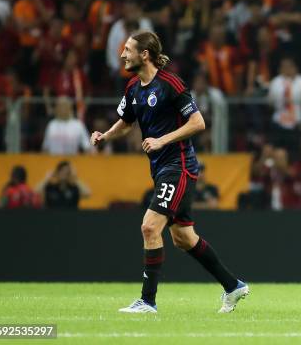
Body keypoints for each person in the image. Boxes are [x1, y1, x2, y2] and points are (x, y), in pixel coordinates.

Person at [90, 30, 248, 314]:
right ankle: (233, 286)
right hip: (162, 168)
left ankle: (147, 302)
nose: (122, 54)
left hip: (180, 166)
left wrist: (162, 140)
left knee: (150, 227)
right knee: (183, 238)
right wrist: (105, 136)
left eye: (128, 49)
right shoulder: (133, 88)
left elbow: (198, 122)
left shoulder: (170, 84)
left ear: (144, 54)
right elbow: (126, 122)